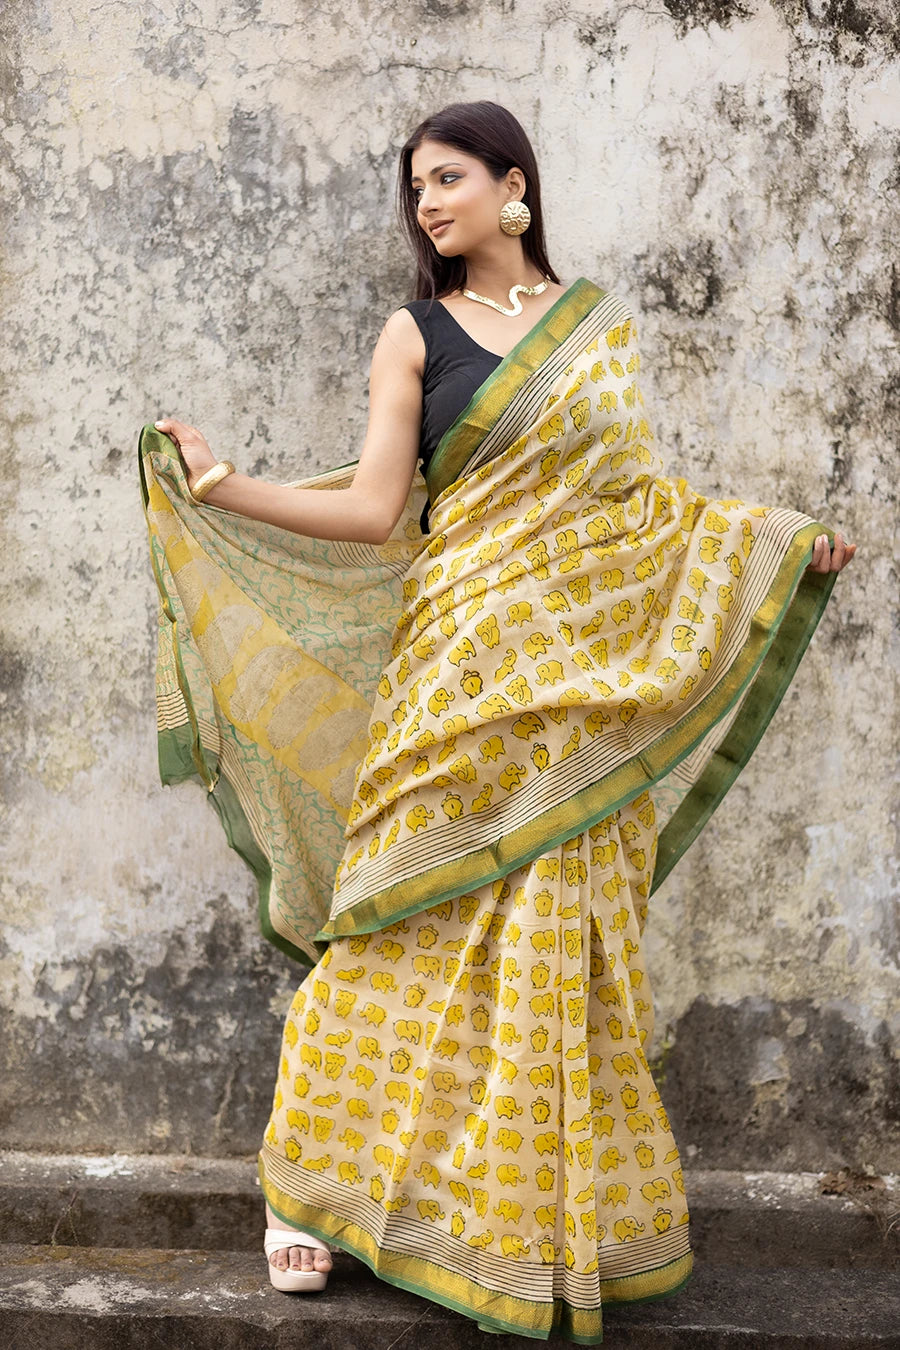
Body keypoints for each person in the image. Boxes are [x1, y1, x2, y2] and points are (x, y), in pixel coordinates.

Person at [142, 100, 855, 1343]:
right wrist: (224, 485)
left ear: (512, 182)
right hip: (458, 673)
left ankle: (508, 1221)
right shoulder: (414, 334)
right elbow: (376, 510)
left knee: (556, 945)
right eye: (416, 187)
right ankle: (305, 1189)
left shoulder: (598, 329)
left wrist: (780, 543)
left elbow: (645, 508)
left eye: (448, 177)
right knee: (393, 922)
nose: (427, 203)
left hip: (578, 685)